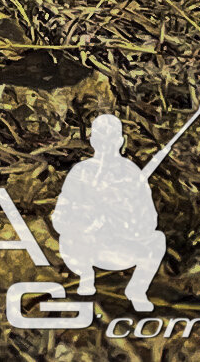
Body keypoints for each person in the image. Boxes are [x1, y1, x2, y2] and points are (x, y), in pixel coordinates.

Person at [54, 114, 167, 312]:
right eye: (102, 140)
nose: (107, 146)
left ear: (120, 142)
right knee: (70, 238)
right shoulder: (81, 172)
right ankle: (85, 277)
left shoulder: (132, 173)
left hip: (120, 248)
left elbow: (150, 221)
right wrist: (87, 220)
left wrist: (127, 214)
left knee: (157, 240)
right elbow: (59, 218)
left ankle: (137, 290)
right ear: (93, 141)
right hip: (84, 249)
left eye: (111, 140)